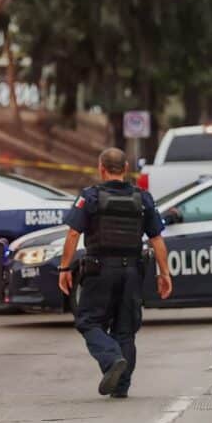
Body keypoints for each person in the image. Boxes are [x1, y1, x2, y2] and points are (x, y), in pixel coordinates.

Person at [58, 148, 173, 398]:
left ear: (101, 168)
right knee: (125, 329)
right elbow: (156, 239)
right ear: (126, 168)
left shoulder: (90, 197)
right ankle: (121, 386)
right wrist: (164, 274)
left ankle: (111, 360)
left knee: (88, 321)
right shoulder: (143, 198)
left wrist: (65, 267)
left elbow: (73, 234)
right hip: (132, 270)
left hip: (99, 270)